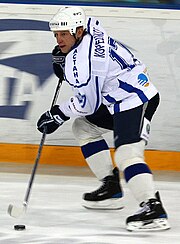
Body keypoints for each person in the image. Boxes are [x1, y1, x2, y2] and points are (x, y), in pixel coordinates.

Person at [37, 6, 170, 231]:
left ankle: (153, 208)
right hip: (118, 98)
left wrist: (57, 114)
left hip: (136, 99)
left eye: (64, 34)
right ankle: (111, 186)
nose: (59, 40)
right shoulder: (88, 29)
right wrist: (67, 58)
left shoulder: (85, 59)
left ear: (77, 31)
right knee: (84, 127)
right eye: (57, 35)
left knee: (127, 153)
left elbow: (88, 103)